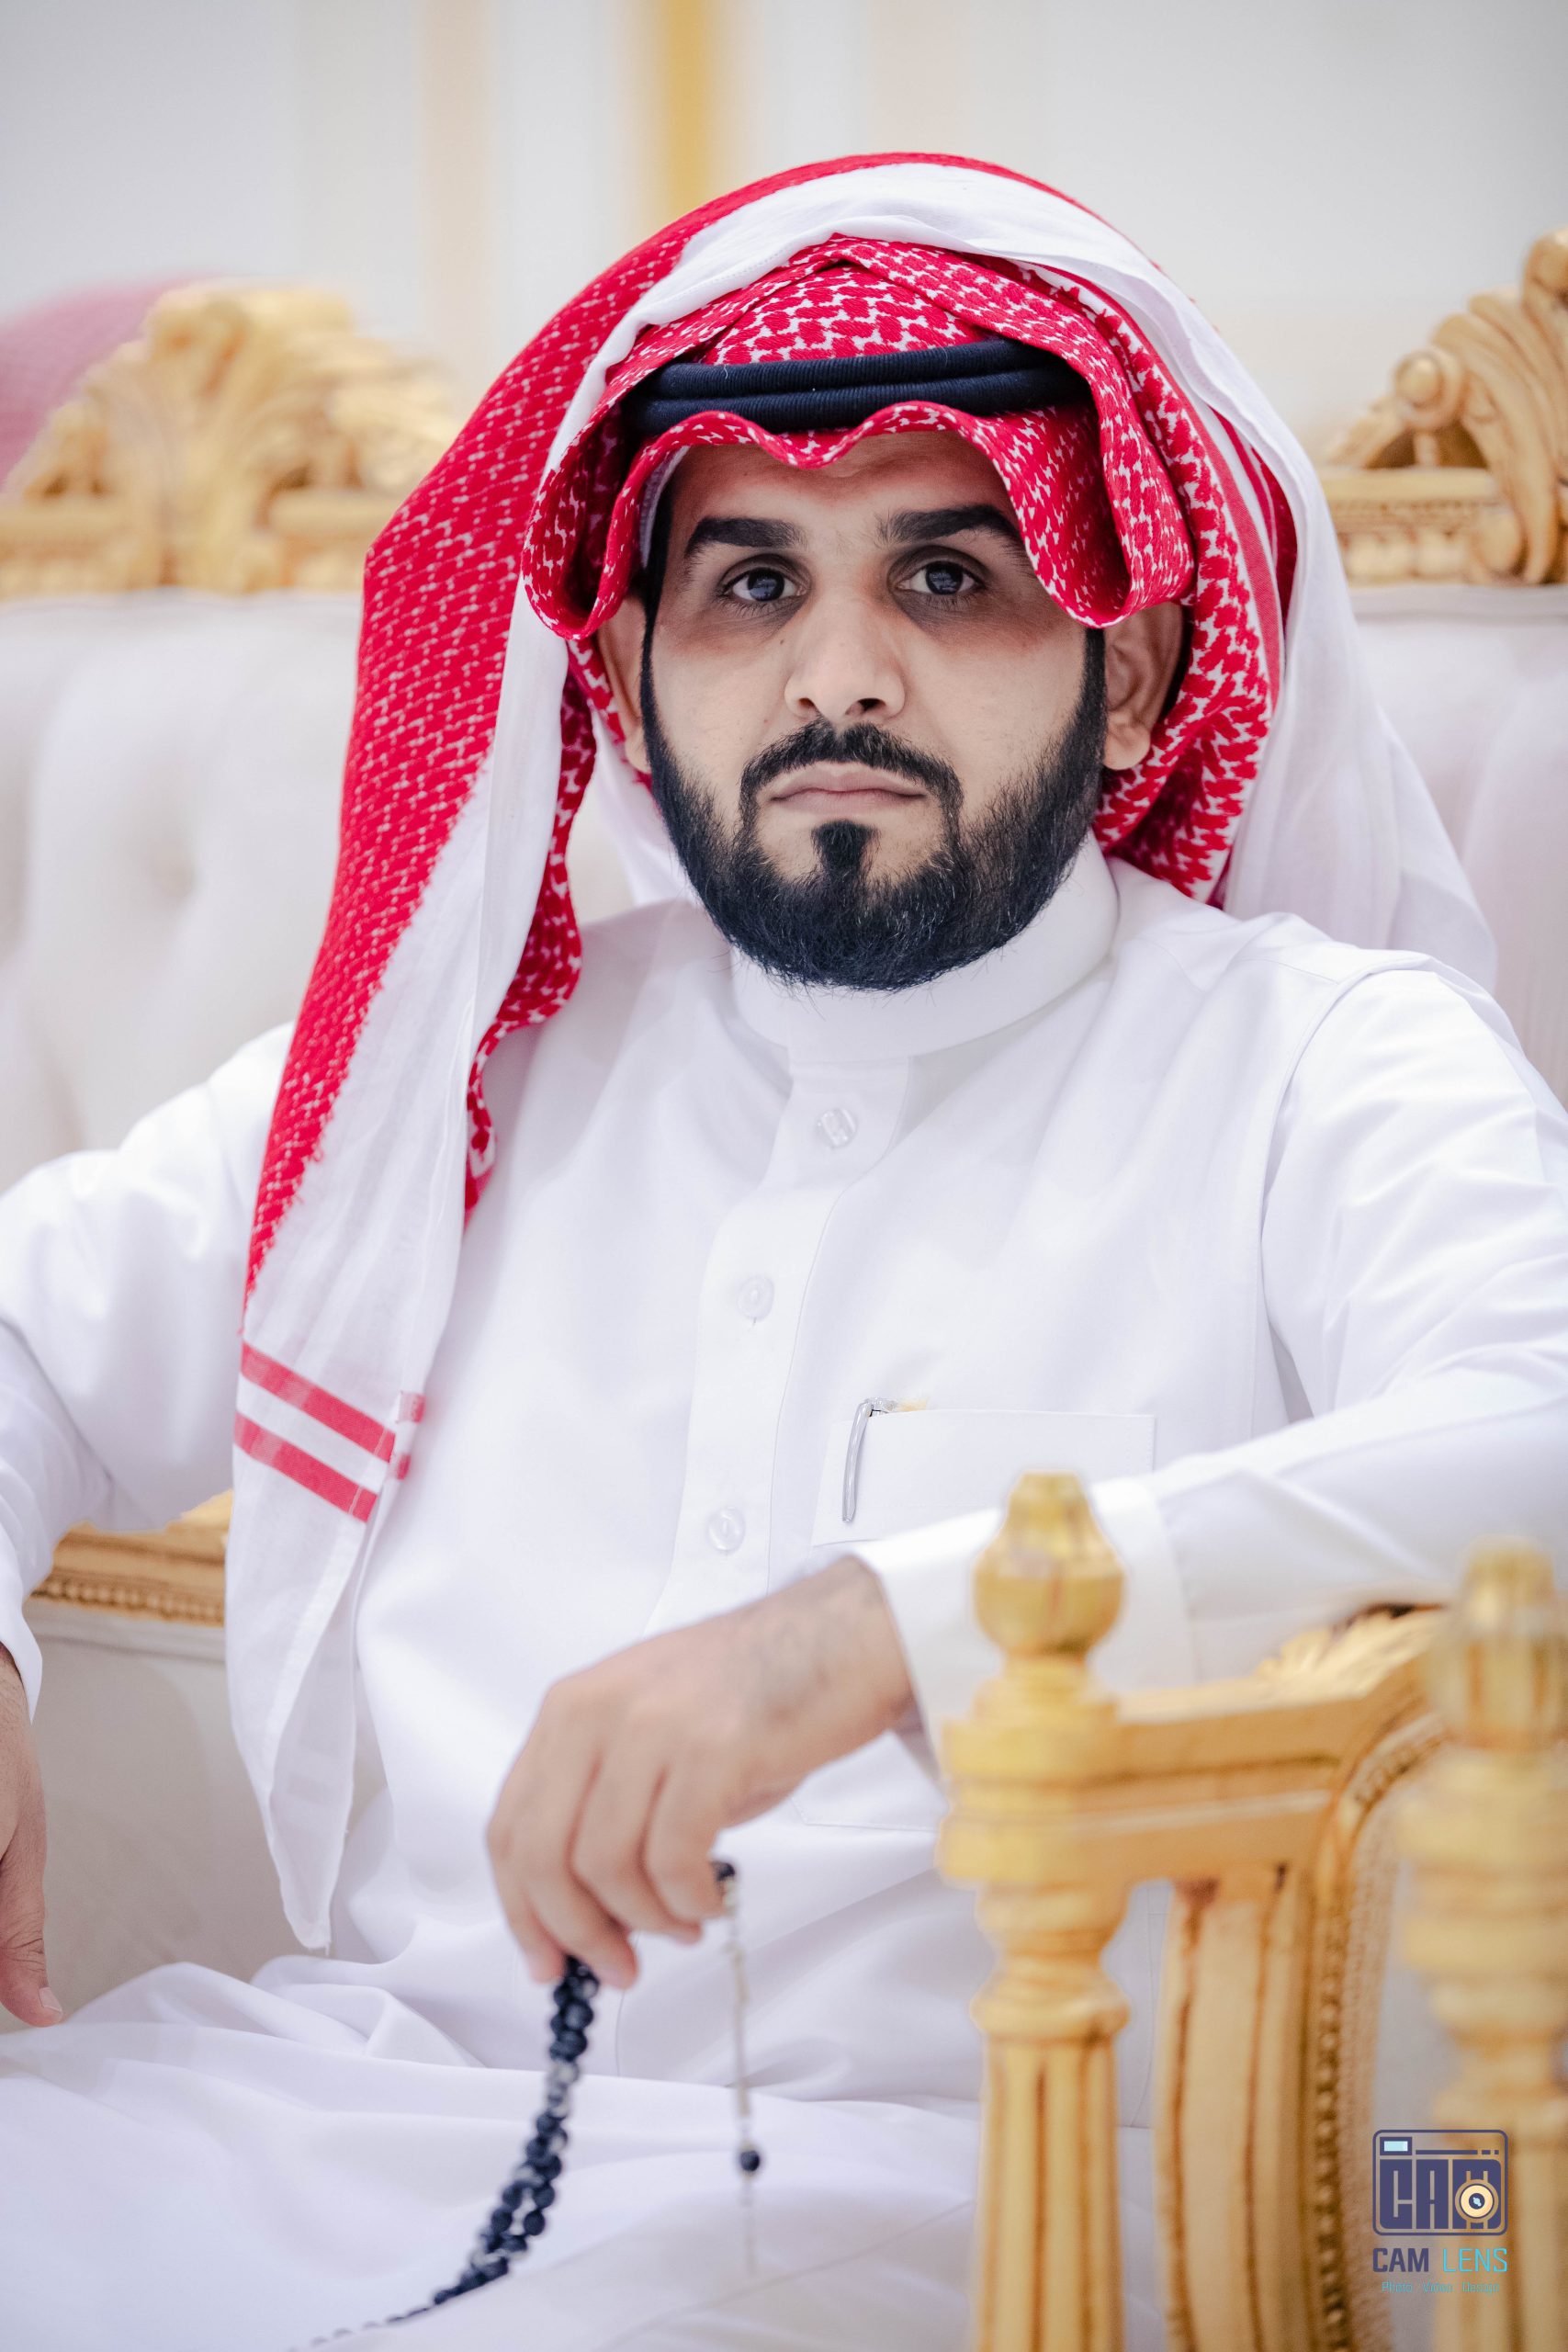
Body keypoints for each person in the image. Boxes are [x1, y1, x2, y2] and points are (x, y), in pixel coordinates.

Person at [1, 153, 1564, 2352]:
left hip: (963, 2199)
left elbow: (1537, 1433)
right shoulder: (470, 1079)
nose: (840, 674)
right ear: (627, 673)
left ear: (1127, 670)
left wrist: (870, 1632)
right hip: (341, 2104)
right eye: (749, 583)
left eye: (946, 571)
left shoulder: (1315, 1061)